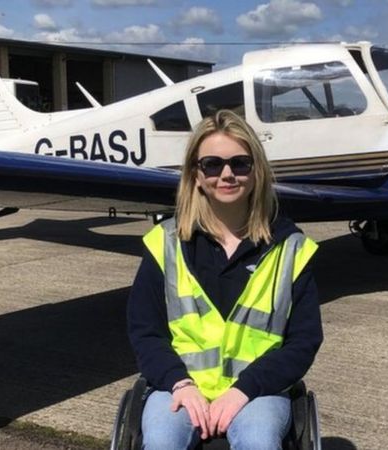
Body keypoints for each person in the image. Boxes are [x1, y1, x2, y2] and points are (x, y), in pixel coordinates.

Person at [127, 109, 323, 450]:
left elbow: (303, 341)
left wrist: (243, 390)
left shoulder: (292, 248)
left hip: (257, 391)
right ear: (196, 175)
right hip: (180, 387)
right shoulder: (165, 243)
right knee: (160, 442)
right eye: (213, 164)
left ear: (257, 171)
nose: (227, 174)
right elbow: (146, 333)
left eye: (240, 163)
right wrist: (180, 384)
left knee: (259, 441)